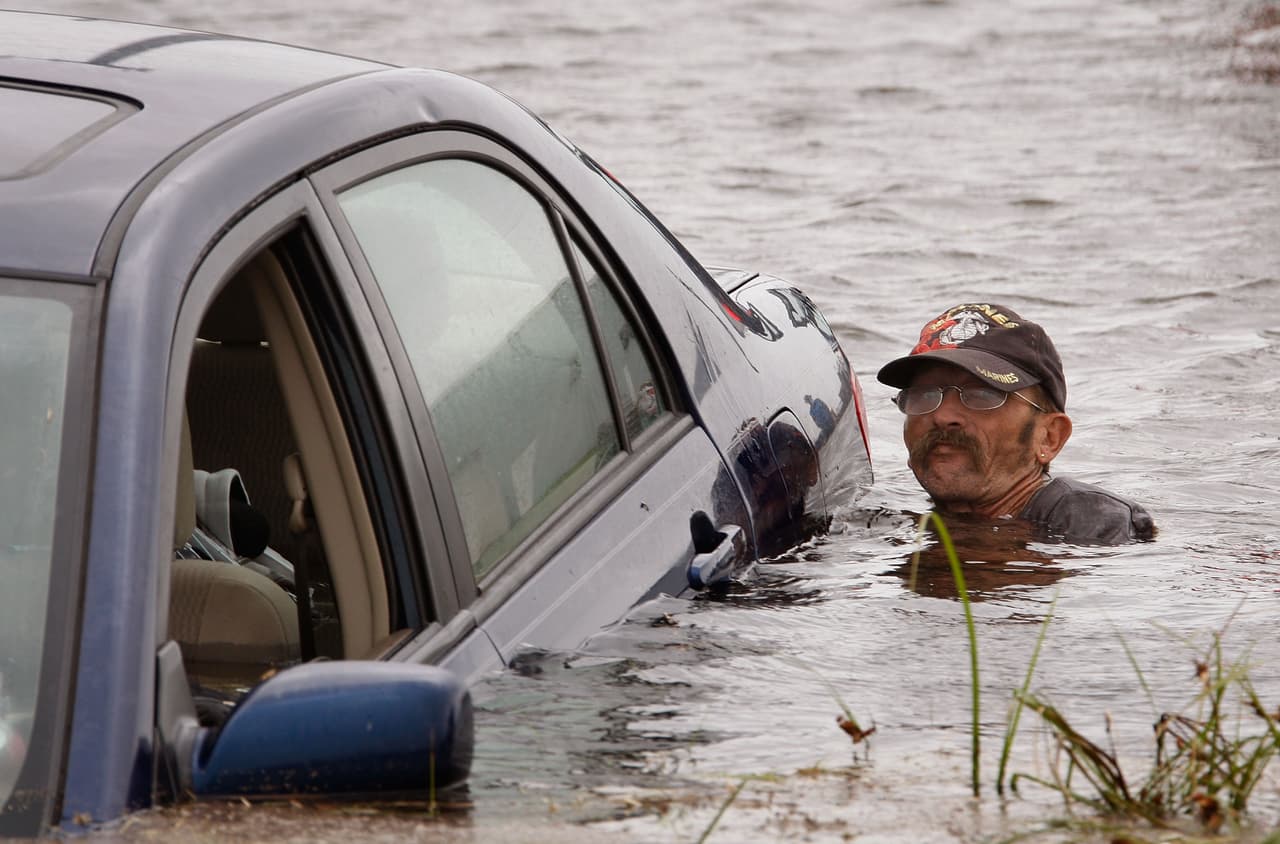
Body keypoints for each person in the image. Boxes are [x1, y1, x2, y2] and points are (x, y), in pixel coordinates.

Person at [877, 302, 1154, 545]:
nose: (943, 416)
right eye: (924, 395)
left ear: (1049, 437)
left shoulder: (1092, 523)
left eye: (981, 395)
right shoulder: (886, 518)